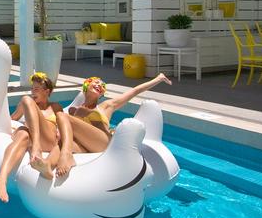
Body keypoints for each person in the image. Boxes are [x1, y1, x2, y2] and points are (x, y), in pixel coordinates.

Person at [35, 73, 172, 178]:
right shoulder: (75, 109)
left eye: (102, 85)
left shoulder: (106, 106)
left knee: (63, 115)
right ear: (86, 86)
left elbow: (134, 91)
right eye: (95, 82)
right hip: (85, 146)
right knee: (63, 138)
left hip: (103, 142)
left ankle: (66, 155)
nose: (99, 85)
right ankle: (48, 164)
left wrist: (158, 79)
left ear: (102, 94)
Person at [0, 72, 69, 203]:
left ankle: (36, 146)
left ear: (47, 91)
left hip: (47, 140)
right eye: (32, 88)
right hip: (30, 138)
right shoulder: (27, 104)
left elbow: (63, 124)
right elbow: (12, 119)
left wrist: (59, 132)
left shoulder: (55, 107)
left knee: (26, 100)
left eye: (37, 89)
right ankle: (1, 179)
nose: (33, 92)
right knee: (23, 133)